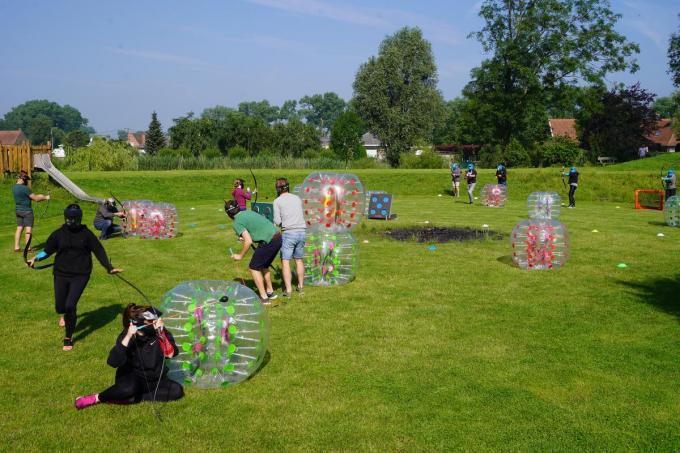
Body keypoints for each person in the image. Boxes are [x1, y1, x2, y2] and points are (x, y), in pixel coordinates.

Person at [27, 204, 123, 351]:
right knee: (60, 306)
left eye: (74, 218)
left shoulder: (87, 234)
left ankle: (68, 337)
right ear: (65, 218)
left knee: (70, 305)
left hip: (81, 274)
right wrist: (36, 258)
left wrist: (109, 268)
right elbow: (48, 250)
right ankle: (65, 315)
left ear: (79, 218)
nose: (71, 221)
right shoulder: (58, 234)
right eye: (69, 218)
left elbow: (99, 251)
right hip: (61, 273)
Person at [74, 304, 184, 409]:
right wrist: (128, 336)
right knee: (129, 389)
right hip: (132, 378)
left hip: (154, 380)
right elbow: (112, 362)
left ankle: (132, 399)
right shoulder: (127, 337)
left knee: (177, 391)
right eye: (150, 320)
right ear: (139, 324)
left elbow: (170, 354)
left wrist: (161, 334)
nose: (156, 321)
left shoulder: (159, 332)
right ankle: (97, 398)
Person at [224, 199, 282, 305]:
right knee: (264, 266)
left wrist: (240, 255)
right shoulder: (248, 212)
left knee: (253, 268)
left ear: (228, 214)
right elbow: (254, 229)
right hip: (278, 237)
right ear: (239, 207)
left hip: (268, 241)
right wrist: (246, 237)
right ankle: (270, 292)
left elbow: (248, 241)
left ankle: (264, 298)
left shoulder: (236, 222)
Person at [272, 178, 306, 299]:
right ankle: (301, 287)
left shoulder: (277, 201)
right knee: (299, 259)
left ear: (278, 189)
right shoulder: (297, 198)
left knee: (285, 261)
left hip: (289, 233)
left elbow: (277, 221)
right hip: (302, 232)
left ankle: (289, 290)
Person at [12, 171, 50, 252]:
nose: (26, 182)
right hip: (27, 211)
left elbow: (32, 196)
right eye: (26, 180)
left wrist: (40, 196)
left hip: (18, 210)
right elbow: (36, 199)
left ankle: (16, 247)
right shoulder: (25, 188)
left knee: (19, 228)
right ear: (22, 179)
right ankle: (28, 248)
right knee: (28, 229)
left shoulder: (14, 187)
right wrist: (45, 197)